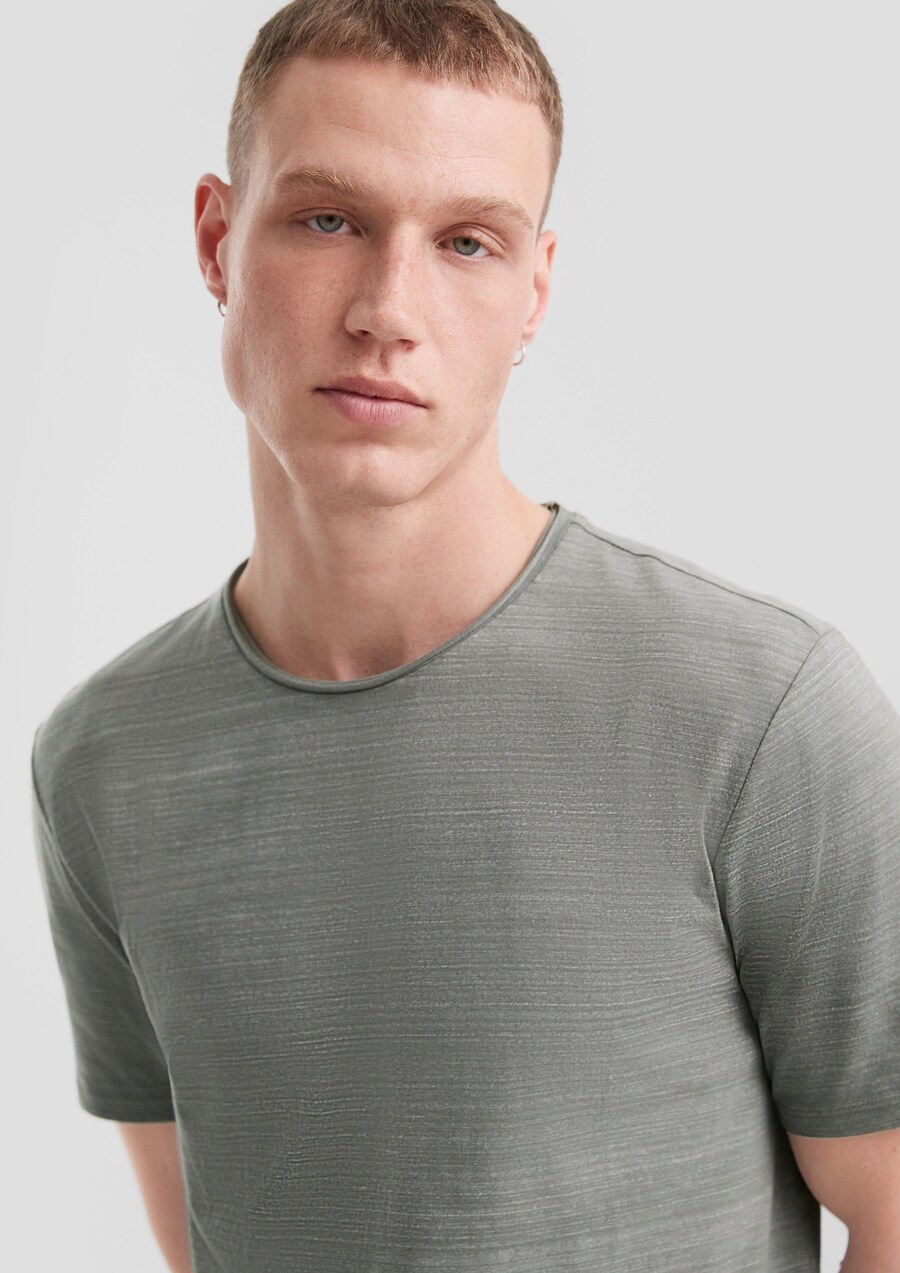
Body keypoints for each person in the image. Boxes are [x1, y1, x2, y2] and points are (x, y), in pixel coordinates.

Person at [30, 3, 900, 1271]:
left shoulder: (765, 718)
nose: (388, 310)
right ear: (217, 241)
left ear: (533, 292)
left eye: (466, 243)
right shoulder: (104, 759)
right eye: (329, 220)